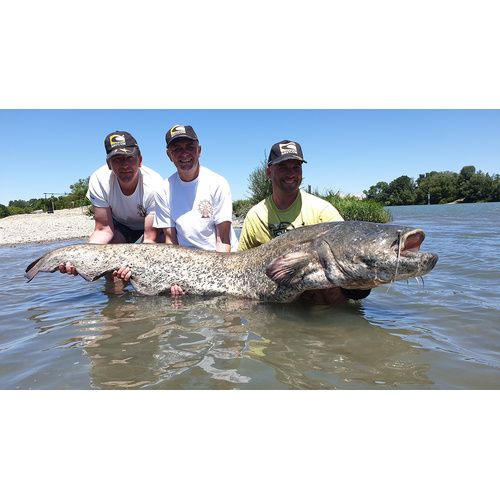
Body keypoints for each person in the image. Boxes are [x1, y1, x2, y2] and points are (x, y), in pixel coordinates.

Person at [238, 139, 371, 304]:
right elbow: (240, 267)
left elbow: (349, 255)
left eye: (296, 167)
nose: (291, 174)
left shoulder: (323, 210)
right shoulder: (255, 215)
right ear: (268, 172)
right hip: (280, 304)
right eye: (283, 167)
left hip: (325, 305)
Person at [59, 130, 163, 282]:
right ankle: (115, 302)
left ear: (140, 160)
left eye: (129, 158)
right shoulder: (99, 180)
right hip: (120, 225)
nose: (125, 165)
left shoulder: (156, 185)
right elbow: (103, 229)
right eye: (118, 159)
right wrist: (81, 258)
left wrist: (132, 264)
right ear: (108, 164)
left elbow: (149, 239)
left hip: (150, 230)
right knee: (113, 274)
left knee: (146, 271)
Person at [152, 124, 237, 296]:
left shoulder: (218, 183)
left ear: (199, 150)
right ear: (169, 155)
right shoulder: (162, 190)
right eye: (177, 149)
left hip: (223, 260)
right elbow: (171, 243)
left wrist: (218, 277)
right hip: (186, 264)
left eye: (190, 147)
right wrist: (175, 278)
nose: (184, 154)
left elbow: (223, 241)